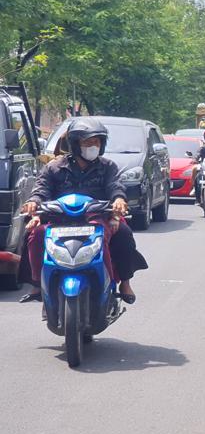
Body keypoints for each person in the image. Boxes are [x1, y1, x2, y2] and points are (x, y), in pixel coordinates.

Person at [17, 118, 148, 304]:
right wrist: (33, 202)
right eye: (88, 142)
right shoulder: (54, 167)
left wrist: (118, 200)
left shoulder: (108, 167)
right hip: (59, 220)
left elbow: (115, 187)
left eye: (97, 142)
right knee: (35, 235)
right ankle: (38, 284)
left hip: (98, 217)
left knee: (124, 233)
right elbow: (41, 190)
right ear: (75, 144)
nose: (93, 146)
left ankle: (122, 282)